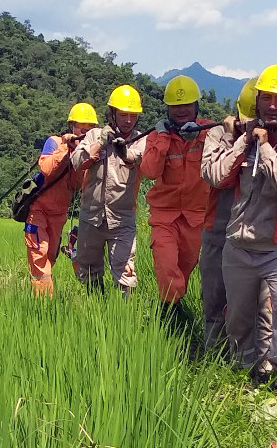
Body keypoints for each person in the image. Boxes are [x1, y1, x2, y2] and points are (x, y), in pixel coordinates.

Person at [204, 64, 277, 388]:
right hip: (238, 244)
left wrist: (265, 147)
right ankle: (246, 375)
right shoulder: (243, 141)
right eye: (266, 98)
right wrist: (241, 142)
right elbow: (215, 176)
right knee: (238, 319)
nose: (271, 105)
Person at [139, 76, 212, 332]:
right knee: (167, 266)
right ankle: (169, 319)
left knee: (184, 270)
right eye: (175, 106)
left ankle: (173, 312)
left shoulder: (208, 133)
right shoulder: (158, 137)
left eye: (187, 105)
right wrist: (162, 139)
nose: (181, 110)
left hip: (195, 217)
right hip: (165, 216)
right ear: (167, 109)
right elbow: (149, 171)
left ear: (196, 107)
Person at [199, 78, 258, 354]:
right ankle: (213, 358)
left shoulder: (273, 141)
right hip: (218, 230)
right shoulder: (217, 136)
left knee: (250, 305)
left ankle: (246, 360)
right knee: (214, 300)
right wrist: (237, 139)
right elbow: (214, 176)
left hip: (253, 236)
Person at [71, 85, 146, 297]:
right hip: (91, 218)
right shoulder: (94, 134)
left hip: (122, 220)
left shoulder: (141, 139)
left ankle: (125, 317)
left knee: (125, 276)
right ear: (112, 113)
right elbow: (77, 161)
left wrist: (125, 153)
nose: (128, 120)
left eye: (133, 115)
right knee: (87, 271)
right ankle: (97, 309)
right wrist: (99, 143)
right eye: (123, 114)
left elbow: (140, 159)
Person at [24, 103, 98, 297]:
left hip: (59, 214)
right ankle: (44, 304)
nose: (85, 132)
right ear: (71, 126)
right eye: (82, 127)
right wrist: (66, 148)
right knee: (40, 254)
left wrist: (80, 156)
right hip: (39, 209)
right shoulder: (55, 142)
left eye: (90, 129)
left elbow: (78, 185)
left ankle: (43, 297)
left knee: (50, 257)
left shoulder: (86, 152)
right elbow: (46, 169)